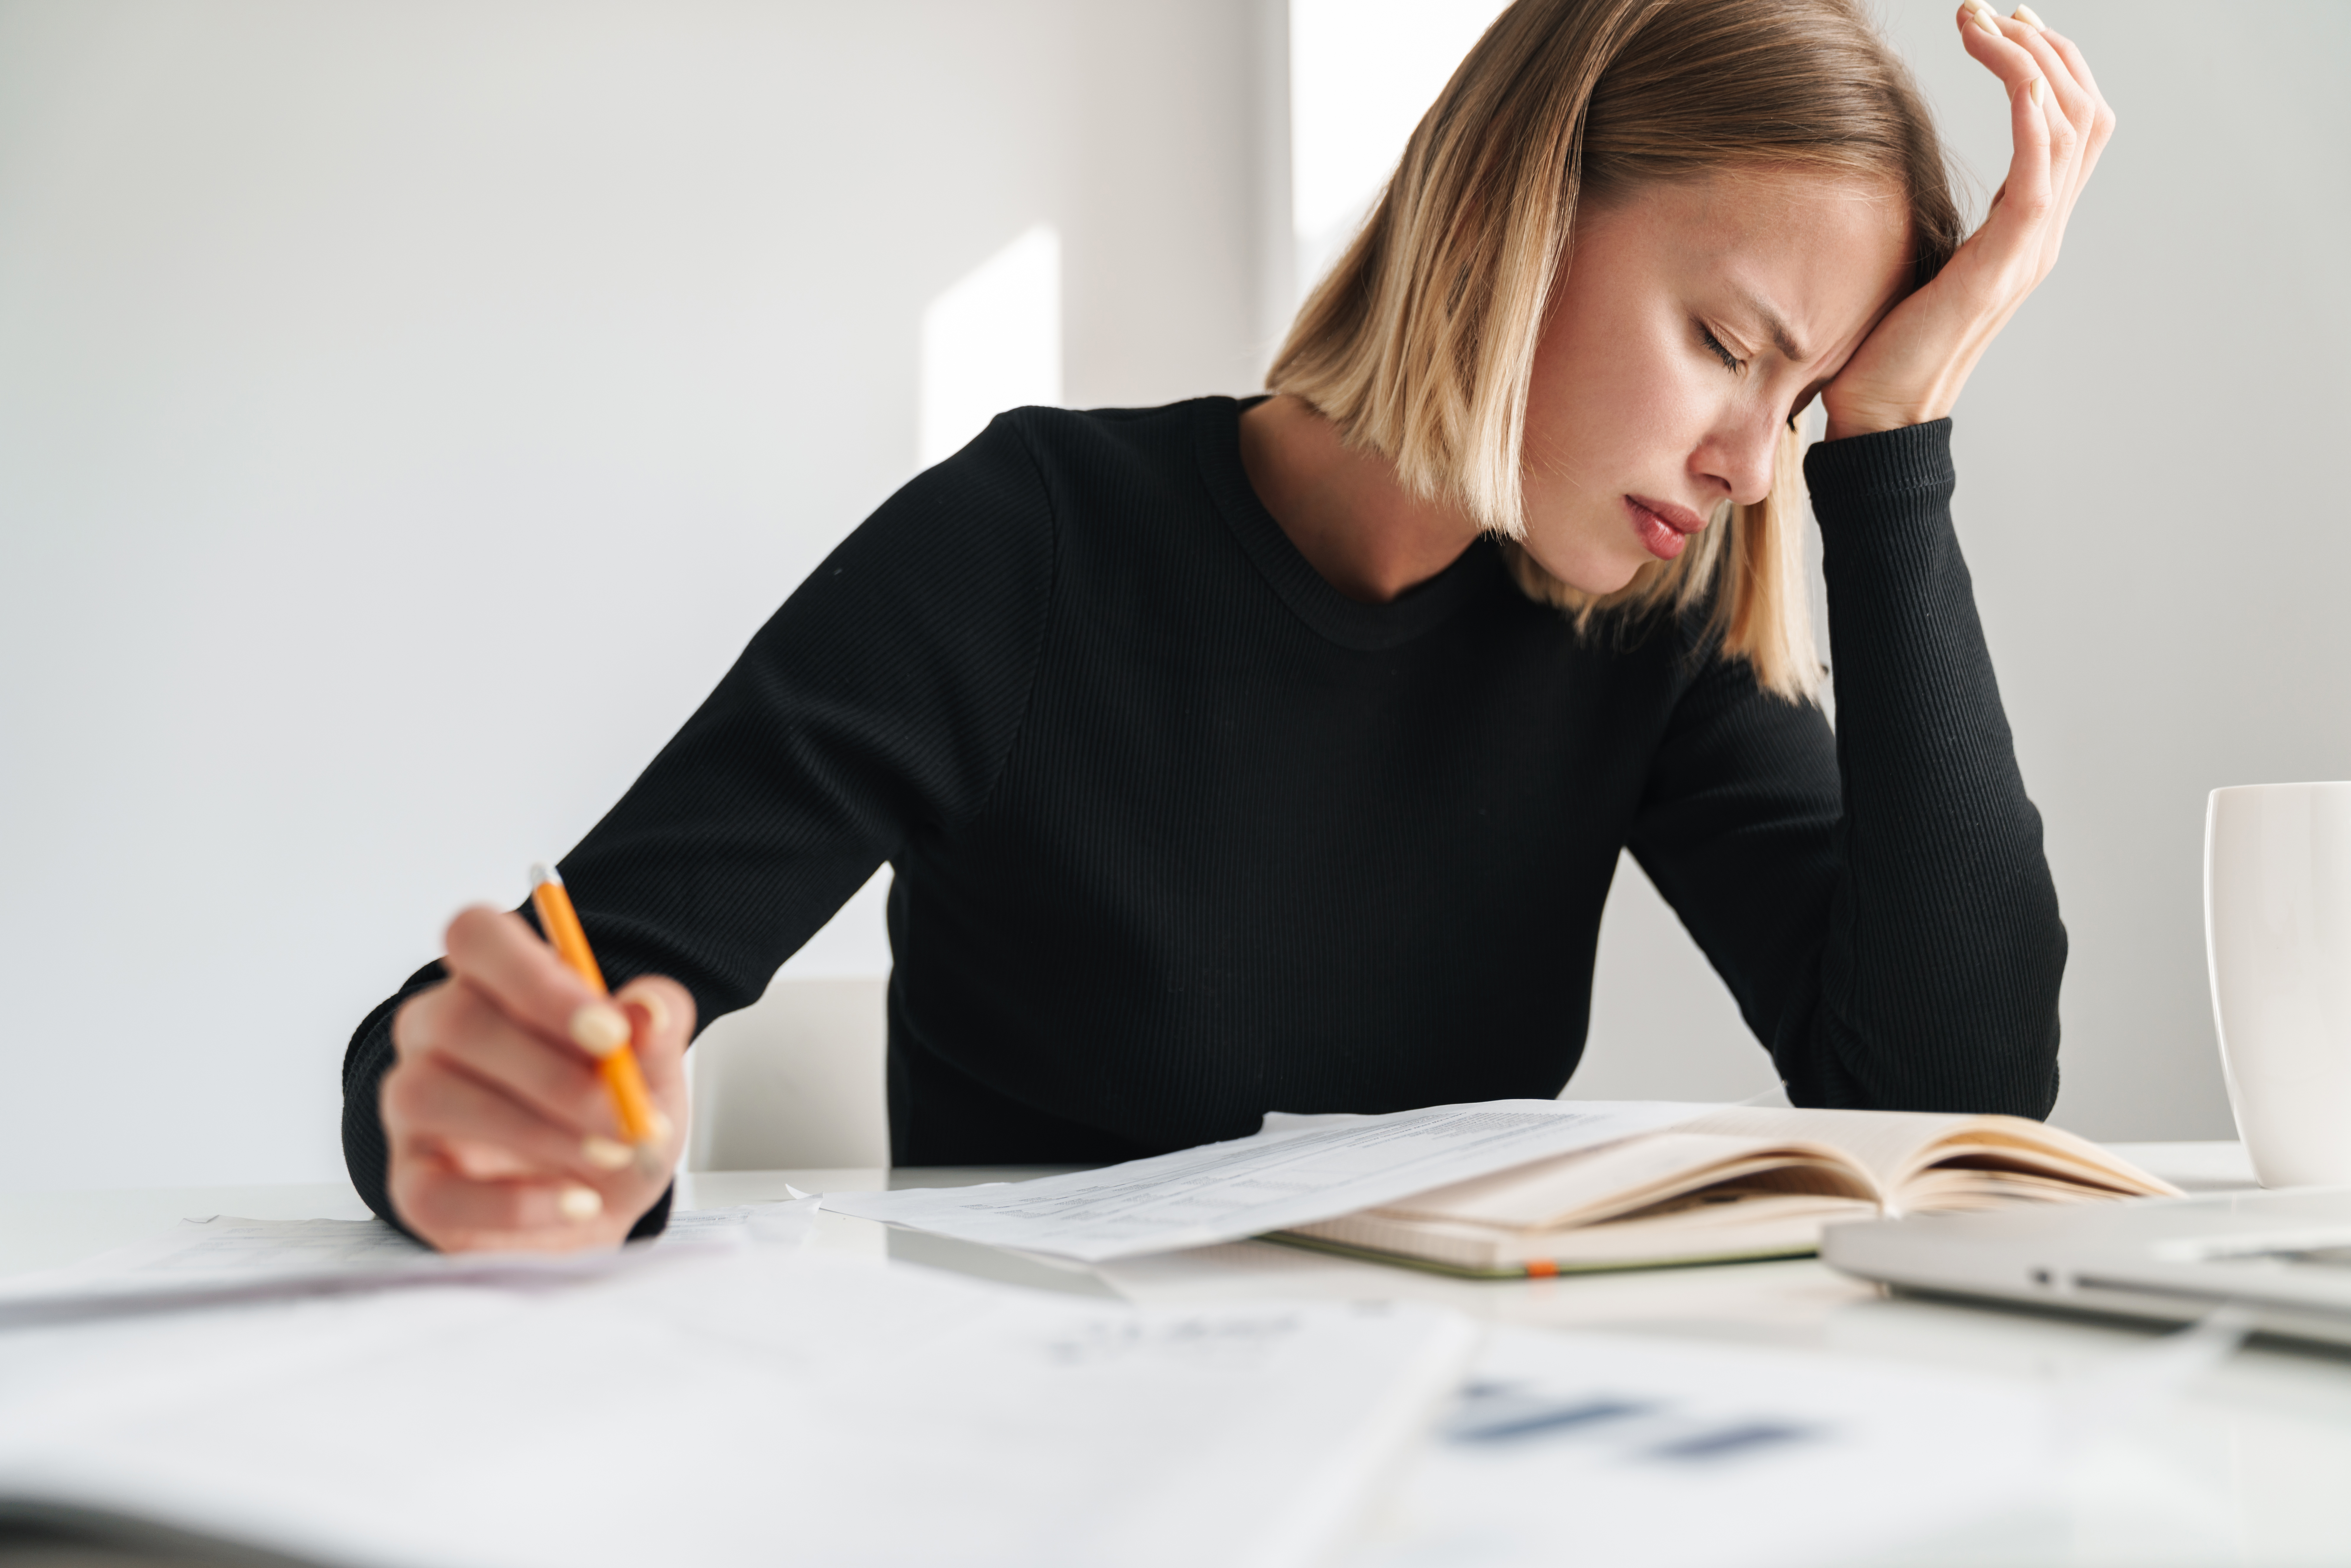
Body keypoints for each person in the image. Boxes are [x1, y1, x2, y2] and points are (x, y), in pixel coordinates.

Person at [347, 0, 2114, 1253]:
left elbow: (1945, 1094)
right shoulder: (1028, 546)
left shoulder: (1636, 626)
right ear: (1510, 213)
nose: (1748, 465)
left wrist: (1893, 454)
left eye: (1801, 401)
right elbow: (496, 1012)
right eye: (1728, 345)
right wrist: (525, 1123)